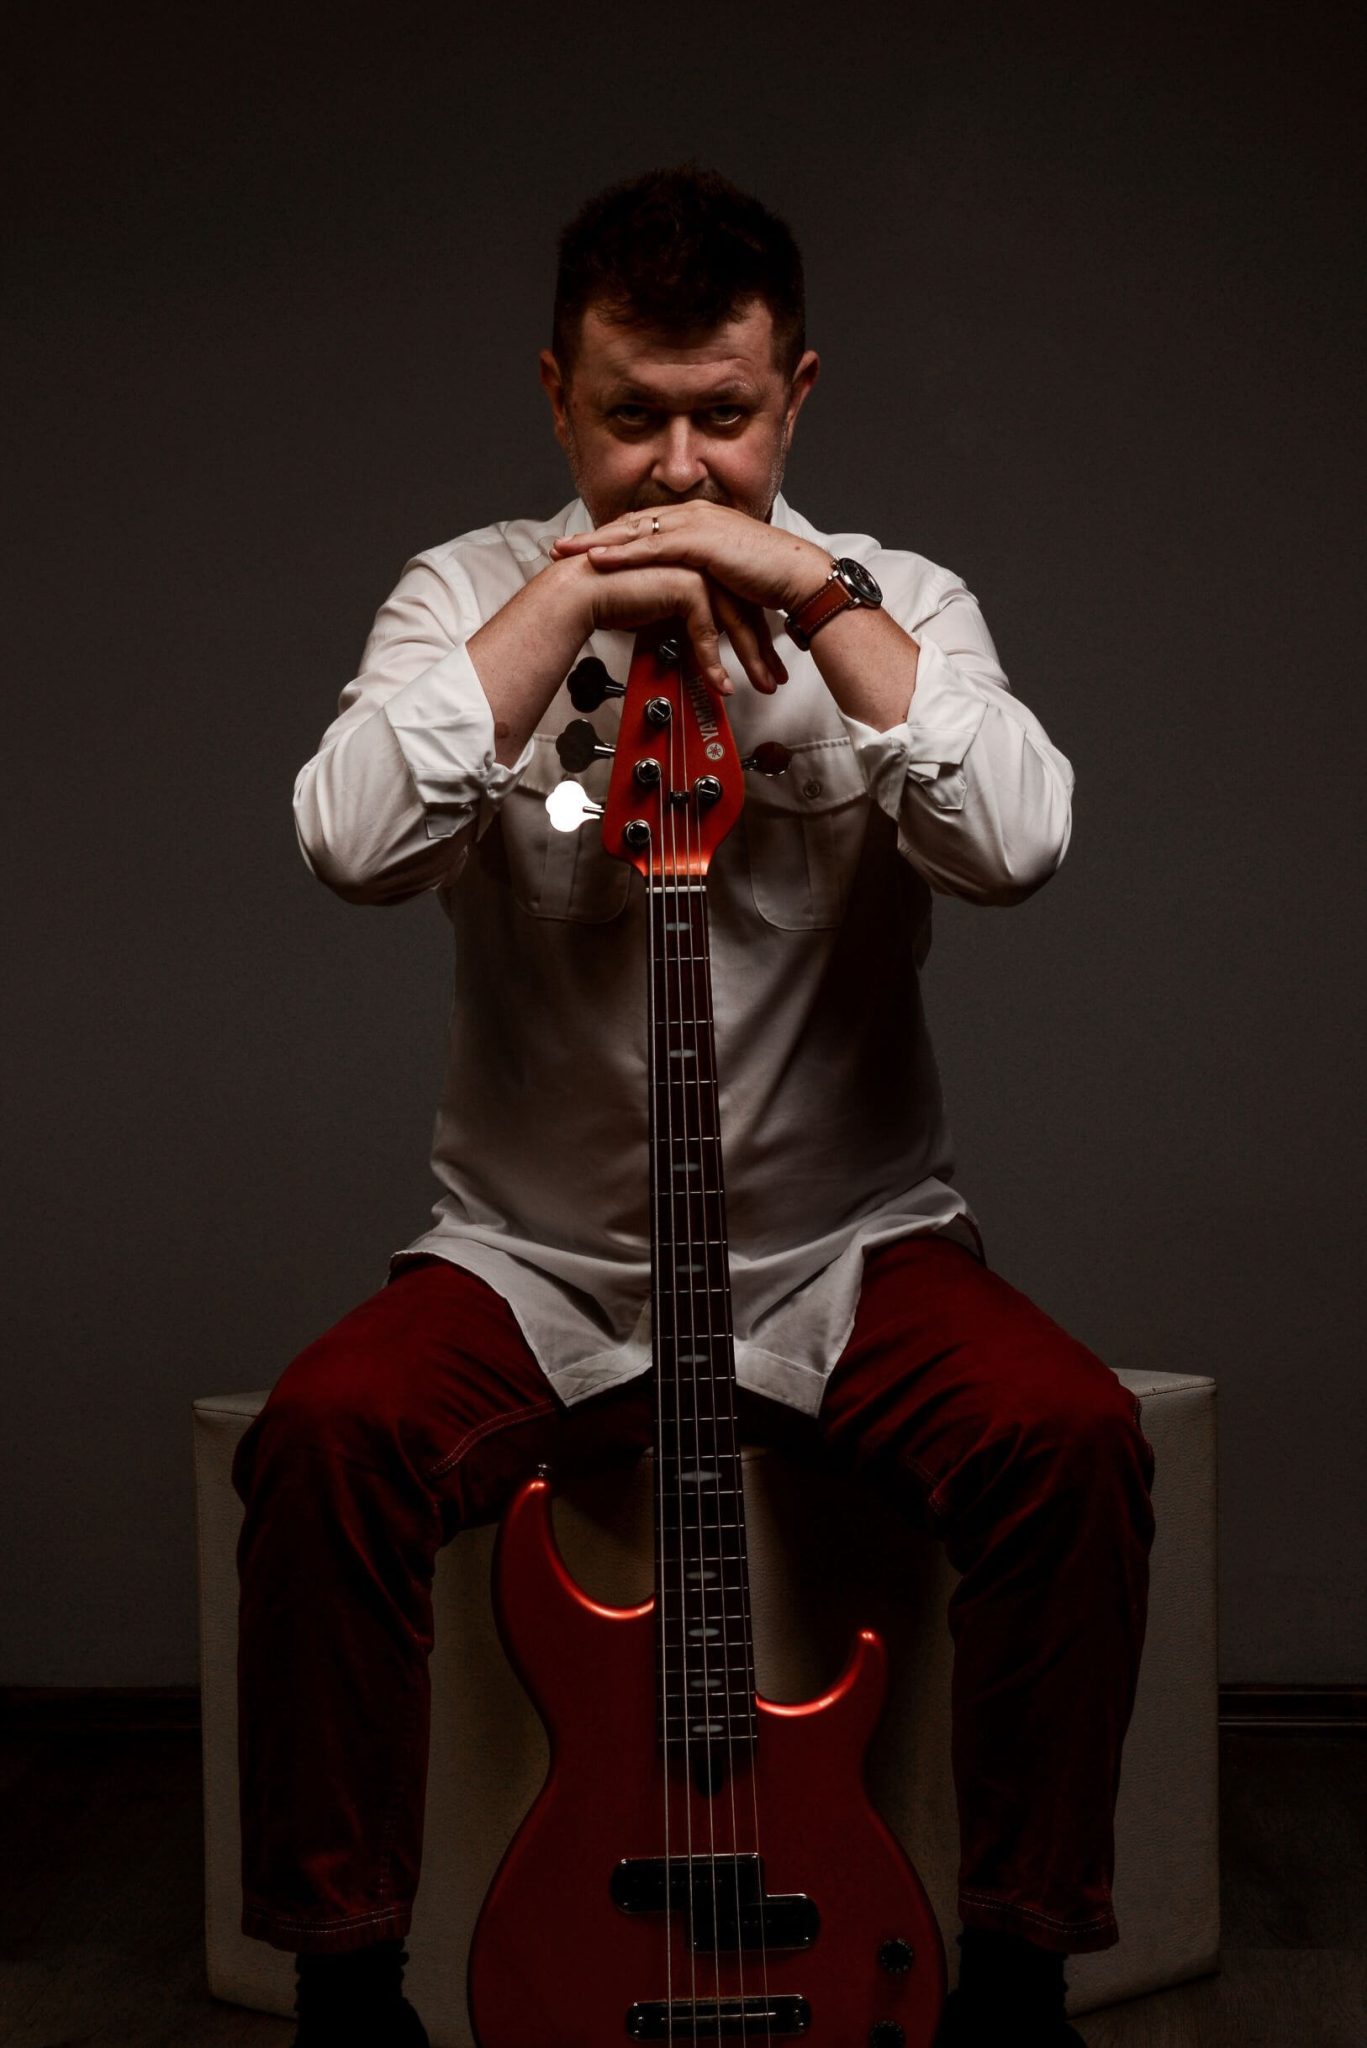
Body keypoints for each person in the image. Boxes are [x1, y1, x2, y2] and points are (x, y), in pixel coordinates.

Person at [232, 163, 1157, 2048]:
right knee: (324, 1442)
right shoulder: (467, 591)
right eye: (628, 415)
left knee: (1072, 1442)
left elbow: (1019, 841)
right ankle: (346, 1987)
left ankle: (1015, 1973)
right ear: (555, 394)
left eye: (721, 417)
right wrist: (570, 597)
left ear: (795, 394)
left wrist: (810, 592)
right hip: (541, 1270)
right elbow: (352, 840)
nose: (675, 468)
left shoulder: (903, 598)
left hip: (845, 1260)